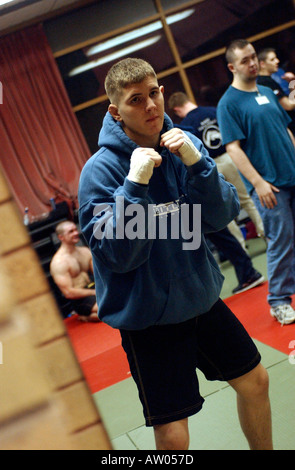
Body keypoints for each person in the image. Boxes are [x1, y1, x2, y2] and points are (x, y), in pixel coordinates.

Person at [78, 58, 272, 450]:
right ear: (116, 111)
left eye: (154, 93)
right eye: (136, 100)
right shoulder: (100, 173)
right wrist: (134, 184)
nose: (150, 105)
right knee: (173, 434)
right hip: (148, 319)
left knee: (256, 381)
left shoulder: (186, 144)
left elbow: (221, 217)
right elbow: (119, 257)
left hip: (200, 300)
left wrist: (197, 165)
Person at [217, 39, 295, 326]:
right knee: (281, 241)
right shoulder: (228, 103)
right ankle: (278, 301)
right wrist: (258, 183)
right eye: (245, 60)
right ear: (232, 66)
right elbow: (233, 148)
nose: (252, 63)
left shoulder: (266, 91)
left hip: (292, 174)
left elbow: (286, 131)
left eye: (254, 57)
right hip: (269, 185)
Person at [168, 91, 265, 252]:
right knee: (247, 198)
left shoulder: (186, 125)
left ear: (177, 109)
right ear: (188, 100)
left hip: (211, 165)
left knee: (222, 208)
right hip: (231, 156)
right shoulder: (213, 111)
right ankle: (265, 233)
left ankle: (240, 248)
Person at [50, 220, 99, 322]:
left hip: (93, 288)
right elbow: (68, 292)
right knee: (110, 310)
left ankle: (93, 314)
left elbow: (98, 275)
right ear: (61, 237)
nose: (76, 233)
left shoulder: (85, 252)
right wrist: (94, 292)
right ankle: (86, 316)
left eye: (75, 230)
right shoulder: (59, 262)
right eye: (71, 231)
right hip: (80, 299)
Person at [257, 48, 295, 133]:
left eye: (276, 58)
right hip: (287, 128)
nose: (277, 61)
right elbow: (288, 105)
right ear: (262, 64)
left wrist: (292, 83)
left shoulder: (267, 80)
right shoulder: (265, 82)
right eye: (272, 59)